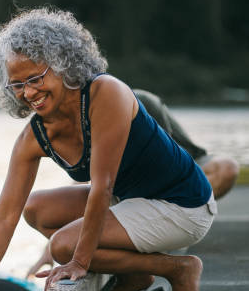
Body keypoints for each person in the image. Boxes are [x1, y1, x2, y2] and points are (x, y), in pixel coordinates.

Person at [0, 8, 228, 291]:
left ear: (63, 64)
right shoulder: (34, 136)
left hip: (183, 205)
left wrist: (80, 262)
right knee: (35, 209)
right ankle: (134, 276)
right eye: (17, 84)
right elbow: (4, 215)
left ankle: (179, 269)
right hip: (131, 202)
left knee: (63, 246)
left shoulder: (105, 93)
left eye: (36, 78)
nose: (28, 93)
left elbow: (103, 186)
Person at [25, 89, 240, 278]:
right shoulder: (91, 117)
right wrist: (48, 251)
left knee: (227, 167)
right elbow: (92, 186)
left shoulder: (141, 106)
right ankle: (135, 272)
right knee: (50, 224)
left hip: (180, 174)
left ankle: (167, 241)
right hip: (130, 187)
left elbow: (164, 160)